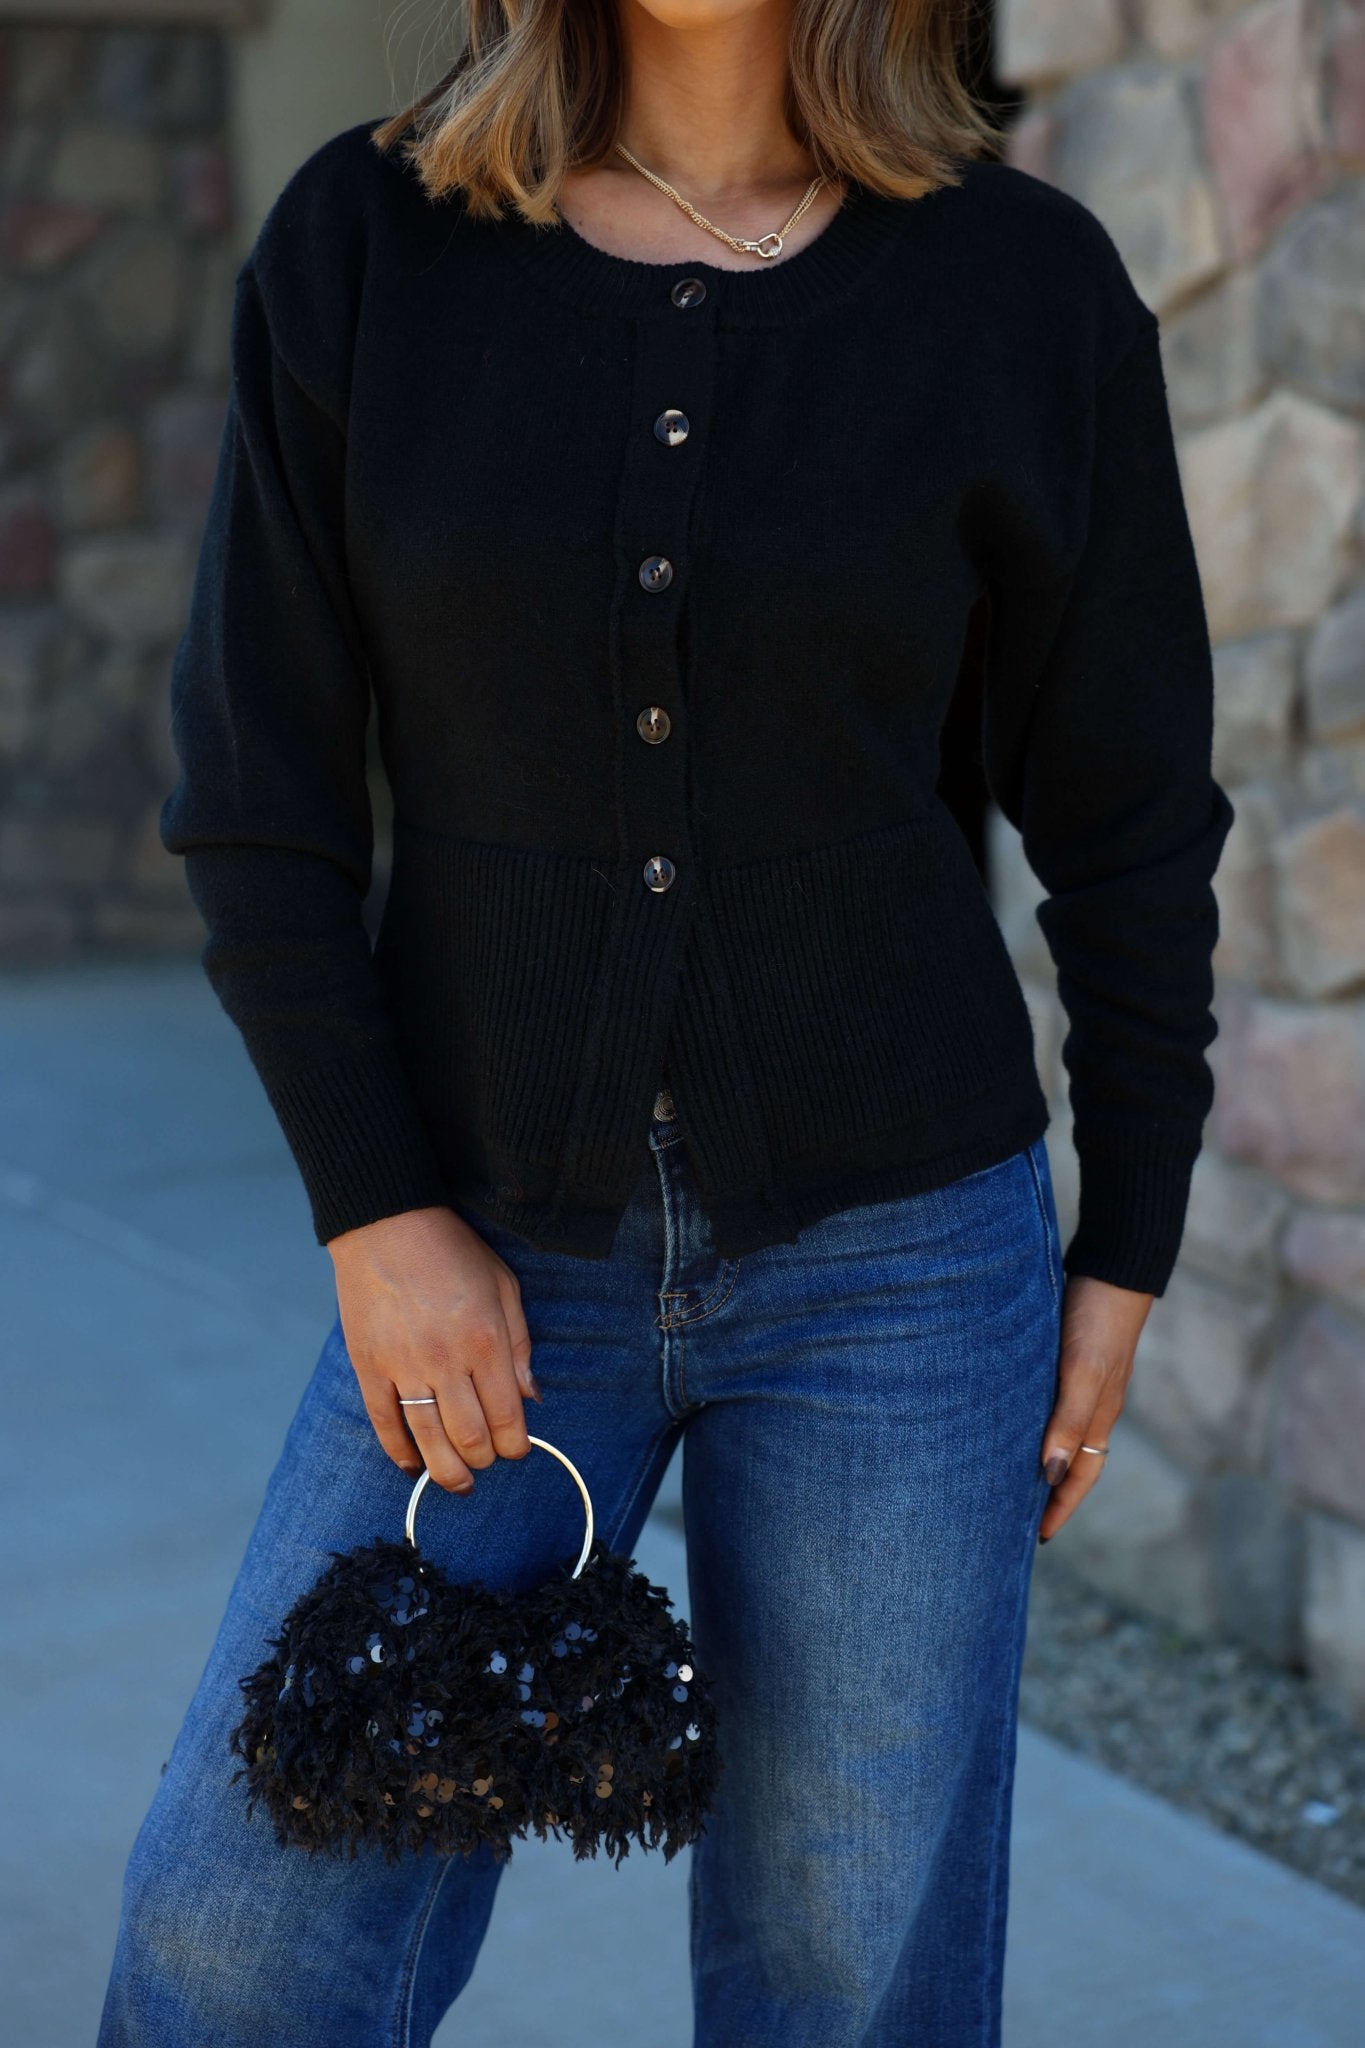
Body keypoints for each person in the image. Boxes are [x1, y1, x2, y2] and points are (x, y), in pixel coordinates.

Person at [97, 2, 1234, 2043]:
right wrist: (377, 1215)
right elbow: (254, 795)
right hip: (483, 1254)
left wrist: (1123, 1236)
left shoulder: (1013, 285)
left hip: (901, 1268)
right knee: (236, 1939)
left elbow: (1129, 819)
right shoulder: (369, 244)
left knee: (846, 1975)